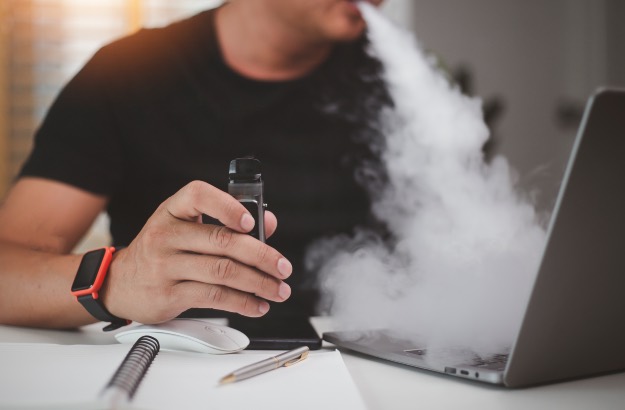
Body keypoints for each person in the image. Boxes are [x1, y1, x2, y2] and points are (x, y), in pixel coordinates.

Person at [0, 0, 390, 330]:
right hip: (174, 360)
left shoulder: (397, 86)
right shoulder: (126, 73)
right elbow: (7, 270)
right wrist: (116, 280)